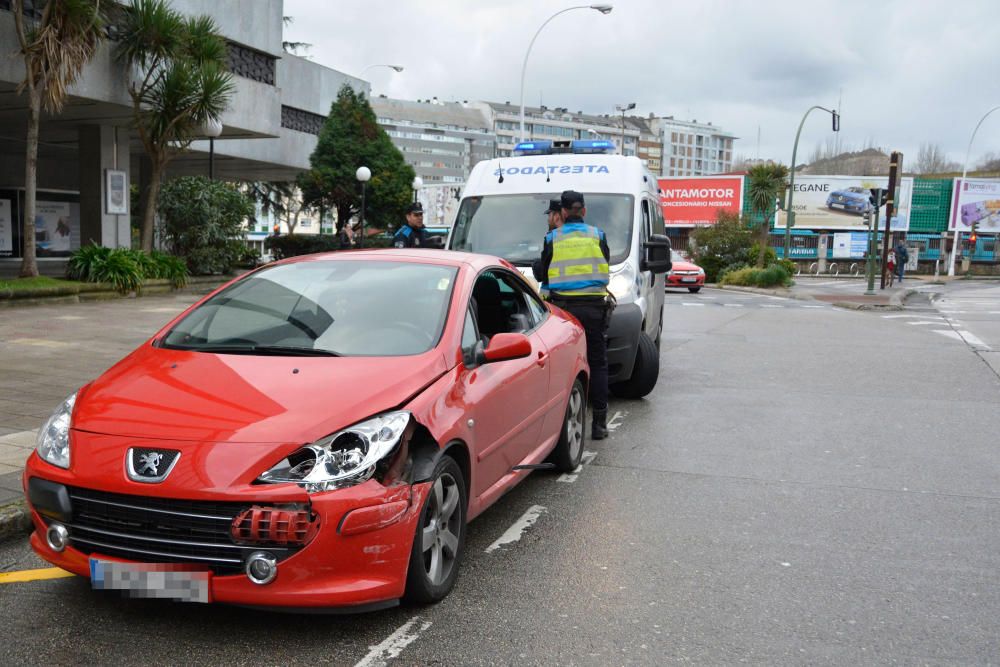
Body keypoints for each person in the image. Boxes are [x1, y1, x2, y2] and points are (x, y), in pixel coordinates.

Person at [533, 190, 612, 440]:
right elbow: (604, 264)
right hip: (594, 308)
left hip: (562, 312)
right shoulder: (598, 236)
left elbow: (542, 275)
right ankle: (599, 424)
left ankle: (558, 426)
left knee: (563, 367)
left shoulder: (552, 238)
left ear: (563, 213)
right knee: (597, 363)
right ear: (584, 211)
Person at [532, 200, 564, 298]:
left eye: (549, 215)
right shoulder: (582, 236)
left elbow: (543, 274)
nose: (548, 220)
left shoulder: (553, 238)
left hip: (554, 299)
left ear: (556, 216)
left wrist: (537, 265)